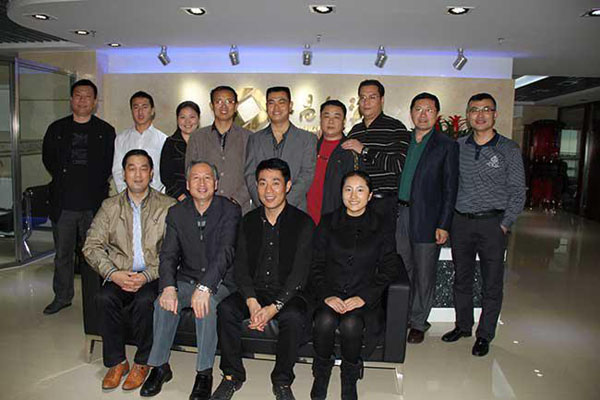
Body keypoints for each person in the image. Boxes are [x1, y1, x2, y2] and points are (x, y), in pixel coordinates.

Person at [212, 158, 315, 400]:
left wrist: (273, 307)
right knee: (226, 309)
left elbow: (300, 273)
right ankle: (232, 375)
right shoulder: (248, 221)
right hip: (255, 290)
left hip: (289, 293)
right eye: (262, 183)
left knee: (293, 316)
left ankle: (282, 381)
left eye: (275, 183)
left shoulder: (303, 223)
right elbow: (240, 267)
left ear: (287, 186)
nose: (268, 190)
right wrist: (251, 301)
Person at [140, 161, 241, 400]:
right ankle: (160, 366)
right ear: (187, 184)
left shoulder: (230, 210)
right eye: (196, 178)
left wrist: (206, 287)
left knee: (206, 305)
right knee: (162, 302)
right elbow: (168, 254)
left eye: (207, 178)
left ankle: (204, 373)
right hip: (188, 277)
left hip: (221, 281)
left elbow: (226, 252)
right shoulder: (177, 213)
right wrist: (168, 286)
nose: (202, 183)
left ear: (216, 184)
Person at [83, 149, 176, 391]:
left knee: (146, 301)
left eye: (143, 168)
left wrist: (146, 276)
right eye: (131, 168)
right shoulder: (110, 206)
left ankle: (142, 363)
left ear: (151, 173)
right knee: (104, 298)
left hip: (152, 275)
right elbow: (91, 246)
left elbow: (173, 251)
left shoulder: (168, 206)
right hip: (119, 274)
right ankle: (117, 363)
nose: (137, 174)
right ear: (123, 174)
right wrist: (113, 274)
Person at [441, 93, 526, 357]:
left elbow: (518, 191)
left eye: (486, 110)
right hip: (461, 223)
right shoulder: (458, 146)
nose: (480, 115)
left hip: (493, 224)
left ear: (494, 114)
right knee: (462, 278)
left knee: (492, 283)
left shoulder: (508, 149)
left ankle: (485, 334)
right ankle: (463, 326)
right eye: (474, 110)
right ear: (468, 115)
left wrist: (505, 223)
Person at [309, 170, 400, 400]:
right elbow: (315, 263)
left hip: (363, 295)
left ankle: (349, 377)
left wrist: (364, 297)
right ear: (341, 193)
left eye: (360, 190)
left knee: (351, 323)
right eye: (348, 189)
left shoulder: (382, 225)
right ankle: (321, 374)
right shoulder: (328, 222)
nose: (353, 196)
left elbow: (390, 267)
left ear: (369, 196)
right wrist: (327, 294)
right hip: (330, 293)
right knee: (324, 320)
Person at [42, 79, 116, 314]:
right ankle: (62, 296)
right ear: (71, 100)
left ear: (95, 102)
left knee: (94, 254)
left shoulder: (106, 131)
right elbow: (48, 160)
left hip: (93, 204)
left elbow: (109, 164)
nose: (82, 100)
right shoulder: (56, 129)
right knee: (63, 255)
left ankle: (96, 299)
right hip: (64, 203)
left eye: (87, 96)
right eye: (78, 95)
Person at [396, 93, 459, 344]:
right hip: (400, 214)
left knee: (424, 273)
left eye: (428, 110)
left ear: (437, 114)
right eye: (418, 109)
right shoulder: (403, 141)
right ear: (411, 113)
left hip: (428, 218)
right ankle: (402, 316)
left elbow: (450, 188)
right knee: (402, 269)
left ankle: (419, 322)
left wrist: (443, 224)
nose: (423, 115)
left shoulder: (446, 145)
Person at [343, 80, 410, 222]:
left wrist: (364, 150)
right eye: (362, 97)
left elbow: (399, 165)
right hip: (356, 203)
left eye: (372, 97)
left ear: (382, 100)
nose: (366, 102)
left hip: (385, 203)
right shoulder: (355, 131)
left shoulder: (396, 127)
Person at [244, 86, 317, 212]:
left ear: (290, 105)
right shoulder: (255, 139)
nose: (276, 108)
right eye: (271, 103)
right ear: (266, 106)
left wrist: (282, 206)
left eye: (281, 102)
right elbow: (250, 175)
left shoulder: (307, 139)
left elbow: (306, 176)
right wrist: (265, 204)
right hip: (261, 210)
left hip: (294, 210)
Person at [186, 86, 252, 213]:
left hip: (239, 209)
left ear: (236, 106)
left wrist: (236, 200)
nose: (224, 106)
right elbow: (190, 173)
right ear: (211, 106)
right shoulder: (197, 137)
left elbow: (253, 175)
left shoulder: (248, 137)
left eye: (229, 101)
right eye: (219, 101)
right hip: (205, 208)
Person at [306, 100, 357, 225]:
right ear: (320, 120)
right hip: (306, 218)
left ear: (344, 122)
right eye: (326, 116)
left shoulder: (350, 152)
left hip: (335, 222)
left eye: (336, 117)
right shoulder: (310, 146)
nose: (331, 121)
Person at [112, 91, 168, 193]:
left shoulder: (163, 139)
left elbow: (163, 172)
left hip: (156, 196)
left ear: (152, 111)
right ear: (131, 111)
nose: (140, 112)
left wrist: (150, 194)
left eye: (144, 107)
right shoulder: (121, 139)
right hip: (127, 197)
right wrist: (126, 193)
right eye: (136, 107)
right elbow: (117, 170)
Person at [160, 101, 201, 200]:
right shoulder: (170, 143)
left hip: (203, 196)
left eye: (192, 117)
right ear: (177, 119)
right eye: (183, 117)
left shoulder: (206, 142)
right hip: (176, 198)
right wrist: (182, 198)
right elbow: (166, 176)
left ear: (198, 119)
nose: (187, 122)